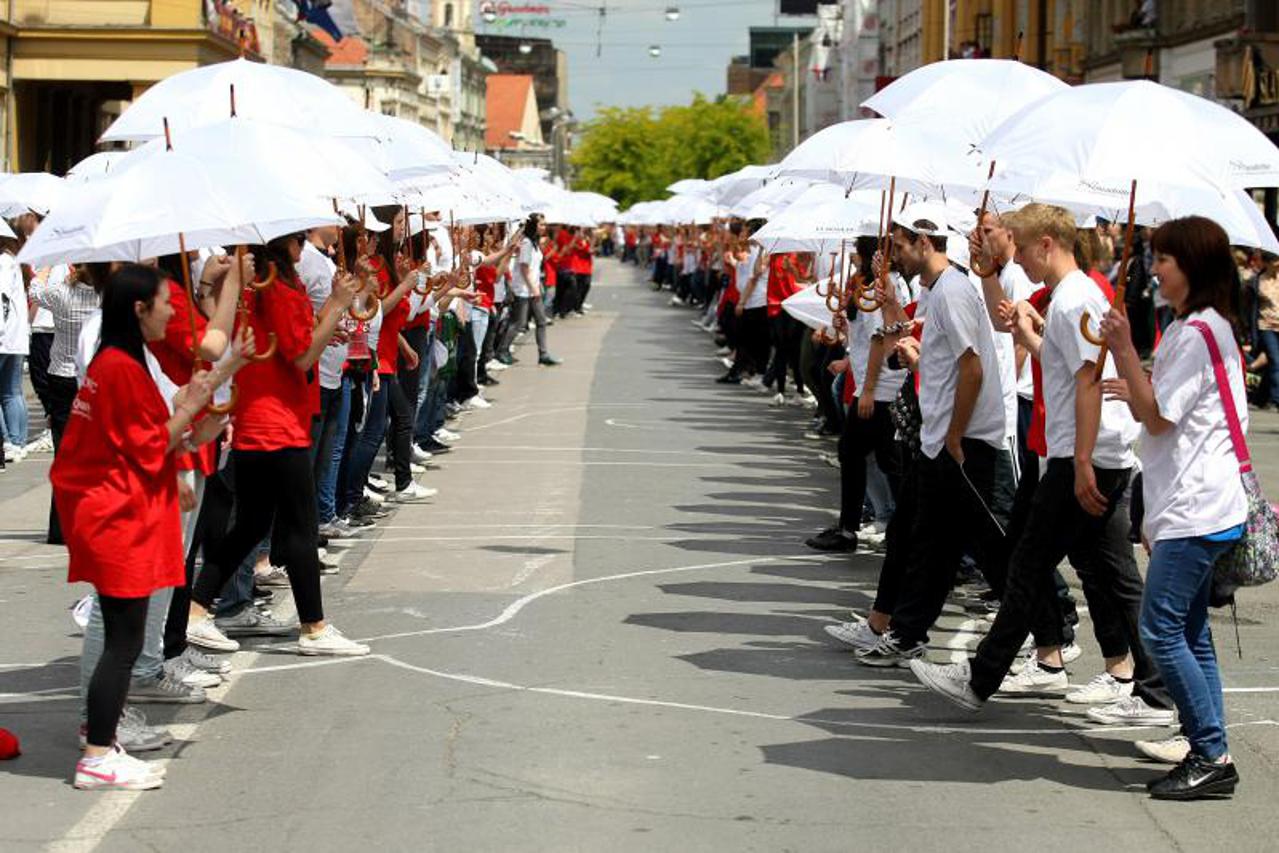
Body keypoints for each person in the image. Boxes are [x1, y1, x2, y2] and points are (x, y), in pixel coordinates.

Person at [909, 204, 1169, 727]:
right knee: (1109, 576)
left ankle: (983, 677)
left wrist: (1077, 463)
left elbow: (1087, 382)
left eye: (1024, 249)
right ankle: (1155, 691)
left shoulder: (1075, 298)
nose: (1021, 260)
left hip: (1085, 455)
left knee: (1030, 565)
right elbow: (1069, 365)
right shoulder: (1073, 299)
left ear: (1047, 244)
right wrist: (1030, 332)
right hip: (1090, 453)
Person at [55, 264, 228, 790]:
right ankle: (97, 753)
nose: (174, 310)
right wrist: (194, 407)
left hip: (118, 510)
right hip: (116, 515)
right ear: (139, 310)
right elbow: (151, 443)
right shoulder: (119, 366)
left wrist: (201, 417)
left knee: (124, 639)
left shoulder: (125, 360)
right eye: (165, 302)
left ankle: (103, 742)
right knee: (123, 642)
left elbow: (153, 434)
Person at [1101, 216, 1246, 800]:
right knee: (1188, 630)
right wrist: (1134, 377)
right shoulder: (1203, 326)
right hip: (1200, 502)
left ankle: (1210, 752)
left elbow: (1156, 414)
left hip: (1196, 506)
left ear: (1193, 267)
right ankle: (1209, 745)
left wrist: (1121, 351)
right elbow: (1155, 406)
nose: (1154, 270)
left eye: (1164, 259)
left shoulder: (1197, 332)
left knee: (1160, 631)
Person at [185, 234, 369, 657]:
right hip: (277, 424)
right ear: (283, 246)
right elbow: (302, 356)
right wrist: (338, 304)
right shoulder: (277, 290)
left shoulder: (260, 289)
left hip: (260, 418)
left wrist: (327, 318)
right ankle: (314, 627)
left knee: (251, 523)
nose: (303, 249)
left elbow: (297, 341)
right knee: (301, 527)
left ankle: (197, 606)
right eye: (298, 242)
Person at [497, 215, 560, 366]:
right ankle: (502, 350)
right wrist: (534, 288)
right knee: (519, 322)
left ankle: (543, 354)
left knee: (541, 321)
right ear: (534, 225)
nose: (544, 227)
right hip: (524, 289)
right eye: (541, 224)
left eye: (545, 224)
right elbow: (524, 268)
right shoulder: (526, 243)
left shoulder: (534, 243)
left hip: (534, 287)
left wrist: (536, 287)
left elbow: (534, 267)